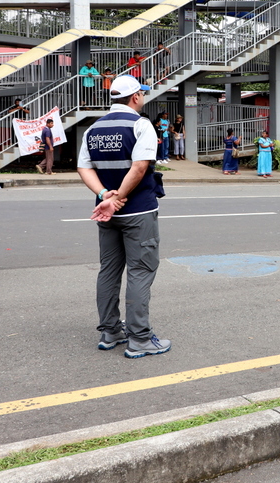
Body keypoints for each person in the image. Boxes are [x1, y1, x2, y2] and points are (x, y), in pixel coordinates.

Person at [77, 74, 170, 359]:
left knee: (109, 270)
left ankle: (110, 331)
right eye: (141, 93)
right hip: (138, 210)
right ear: (135, 97)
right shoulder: (141, 125)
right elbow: (140, 167)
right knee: (140, 271)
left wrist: (105, 195)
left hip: (106, 212)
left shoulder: (93, 129)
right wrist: (117, 198)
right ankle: (139, 338)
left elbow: (84, 168)